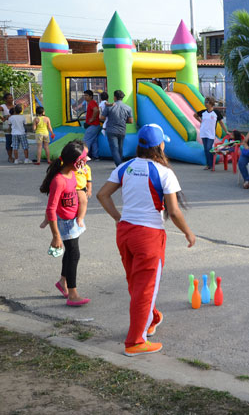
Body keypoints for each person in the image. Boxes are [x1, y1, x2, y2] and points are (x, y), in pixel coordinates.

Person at [97, 124, 196, 357]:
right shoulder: (164, 173)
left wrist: (119, 218)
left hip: (125, 233)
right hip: (148, 236)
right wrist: (188, 232)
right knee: (145, 288)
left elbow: (102, 194)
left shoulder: (125, 167)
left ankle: (151, 318)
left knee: (136, 283)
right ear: (160, 146)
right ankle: (135, 342)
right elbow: (173, 211)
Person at [40, 140, 90, 306]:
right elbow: (51, 208)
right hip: (65, 223)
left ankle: (63, 282)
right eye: (84, 159)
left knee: (70, 253)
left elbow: (72, 198)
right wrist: (56, 236)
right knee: (74, 254)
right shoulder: (59, 180)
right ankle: (73, 294)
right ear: (76, 162)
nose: (86, 162)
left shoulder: (72, 174)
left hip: (72, 220)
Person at [41, 146, 91, 228]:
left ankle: (80, 218)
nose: (84, 161)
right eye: (82, 158)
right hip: (69, 187)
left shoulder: (85, 168)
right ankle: (47, 219)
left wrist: (89, 189)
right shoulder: (66, 170)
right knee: (54, 204)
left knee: (83, 200)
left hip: (80, 187)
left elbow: (89, 179)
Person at [194, 97, 230, 170]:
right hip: (203, 132)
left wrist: (226, 131)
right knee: (206, 149)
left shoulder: (216, 112)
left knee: (209, 148)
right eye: (205, 102)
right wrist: (201, 121)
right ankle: (209, 164)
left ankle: (211, 164)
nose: (205, 103)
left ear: (211, 103)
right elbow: (195, 115)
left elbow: (221, 123)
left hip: (211, 134)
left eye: (207, 102)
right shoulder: (203, 112)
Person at [102, 90, 133, 166]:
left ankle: (119, 165)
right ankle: (120, 164)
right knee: (120, 148)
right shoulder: (128, 108)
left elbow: (102, 117)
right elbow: (130, 121)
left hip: (111, 130)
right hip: (122, 130)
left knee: (114, 149)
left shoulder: (109, 106)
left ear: (114, 97)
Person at [82, 90, 101, 161]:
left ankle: (83, 157)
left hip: (93, 125)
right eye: (84, 95)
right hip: (95, 125)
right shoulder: (92, 103)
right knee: (94, 141)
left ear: (91, 96)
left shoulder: (91, 103)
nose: (85, 97)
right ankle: (96, 156)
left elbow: (96, 110)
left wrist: (92, 119)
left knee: (86, 141)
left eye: (86, 95)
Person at [2, 93, 15, 162]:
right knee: (9, 141)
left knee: (14, 141)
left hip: (15, 126)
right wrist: (2, 118)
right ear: (5, 100)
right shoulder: (3, 106)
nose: (11, 99)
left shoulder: (15, 106)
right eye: (9, 98)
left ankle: (15, 156)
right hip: (7, 126)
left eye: (12, 97)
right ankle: (10, 157)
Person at [98, 92, 110, 160]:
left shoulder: (100, 104)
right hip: (107, 121)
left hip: (104, 121)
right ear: (107, 98)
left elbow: (100, 113)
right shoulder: (106, 103)